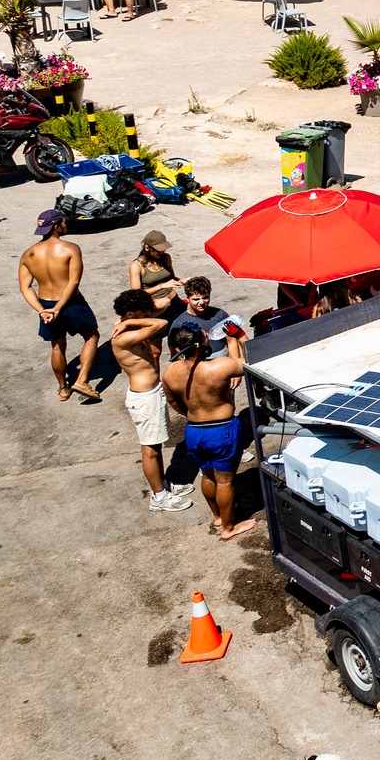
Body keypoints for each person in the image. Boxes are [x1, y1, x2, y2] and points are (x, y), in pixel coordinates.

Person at [164, 322, 252, 540]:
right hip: (221, 430)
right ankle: (229, 528)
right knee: (225, 480)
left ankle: (218, 517)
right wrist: (239, 337)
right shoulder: (219, 366)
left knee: (207, 474)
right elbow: (255, 358)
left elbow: (172, 401)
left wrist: (191, 413)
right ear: (200, 343)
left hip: (194, 430)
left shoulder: (170, 372)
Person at [111, 288, 191, 511]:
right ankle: (159, 497)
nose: (148, 313)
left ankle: (163, 484)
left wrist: (133, 318)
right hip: (144, 398)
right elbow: (161, 324)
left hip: (151, 393)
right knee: (150, 449)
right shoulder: (124, 336)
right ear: (130, 314)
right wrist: (127, 324)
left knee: (156, 445)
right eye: (142, 311)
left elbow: (165, 303)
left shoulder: (132, 325)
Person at [21, 208, 100, 401]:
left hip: (46, 303)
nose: (65, 225)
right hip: (71, 302)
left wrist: (42, 310)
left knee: (57, 346)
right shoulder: (70, 248)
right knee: (91, 336)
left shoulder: (28, 254)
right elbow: (73, 282)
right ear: (57, 226)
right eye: (63, 223)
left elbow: (25, 288)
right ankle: (81, 380)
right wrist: (59, 308)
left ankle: (63, 389)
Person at [131, 228, 183, 313]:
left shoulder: (166, 258)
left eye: (164, 249)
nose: (162, 252)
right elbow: (136, 294)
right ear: (147, 248)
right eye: (158, 250)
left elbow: (171, 278)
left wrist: (182, 281)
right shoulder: (136, 266)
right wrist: (161, 286)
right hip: (156, 305)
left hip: (173, 298)